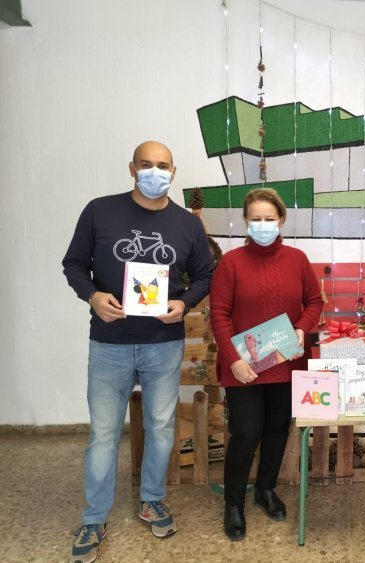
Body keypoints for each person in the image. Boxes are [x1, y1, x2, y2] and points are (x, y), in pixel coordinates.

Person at [63, 141, 213, 563]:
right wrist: (92, 296)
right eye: (146, 165)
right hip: (108, 343)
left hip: (163, 344)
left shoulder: (187, 224)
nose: (154, 172)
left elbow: (204, 275)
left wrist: (185, 304)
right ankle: (94, 517)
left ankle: (152, 499)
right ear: (132, 168)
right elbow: (74, 264)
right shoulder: (99, 210)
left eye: (162, 166)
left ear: (174, 172)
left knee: (162, 428)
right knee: (103, 436)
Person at [210, 188, 323, 542]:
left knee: (277, 429)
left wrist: (303, 331)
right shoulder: (231, 263)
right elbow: (219, 315)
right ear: (245, 222)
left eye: (269, 219)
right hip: (243, 367)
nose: (262, 225)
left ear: (281, 221)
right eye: (255, 219)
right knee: (245, 433)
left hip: (287, 363)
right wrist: (234, 359)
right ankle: (233, 503)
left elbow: (314, 302)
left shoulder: (297, 259)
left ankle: (265, 489)